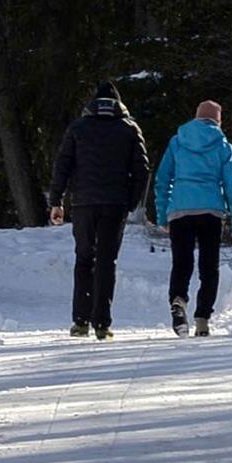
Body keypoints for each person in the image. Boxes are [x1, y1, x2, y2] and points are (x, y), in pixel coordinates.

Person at [48, 81, 150, 337]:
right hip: (115, 204)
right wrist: (131, 201)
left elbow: (63, 164)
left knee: (84, 258)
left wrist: (57, 200)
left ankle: (80, 320)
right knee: (106, 261)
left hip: (83, 203)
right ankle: (102, 323)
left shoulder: (78, 127)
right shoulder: (129, 128)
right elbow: (142, 169)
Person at [152, 98, 232, 335]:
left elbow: (162, 180)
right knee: (209, 267)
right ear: (218, 121)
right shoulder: (223, 146)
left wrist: (162, 214)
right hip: (210, 211)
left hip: (180, 210)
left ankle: (178, 299)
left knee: (182, 262)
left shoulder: (177, 142)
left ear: (196, 117)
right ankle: (203, 319)